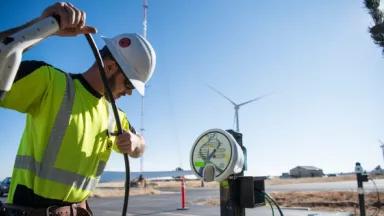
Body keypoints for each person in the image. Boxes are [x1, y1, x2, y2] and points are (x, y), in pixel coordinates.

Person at [0, 2, 156, 215]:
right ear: (109, 67)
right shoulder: (50, 83)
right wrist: (42, 27)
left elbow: (141, 148)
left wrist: (136, 141)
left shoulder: (115, 117)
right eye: (129, 84)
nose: (129, 93)